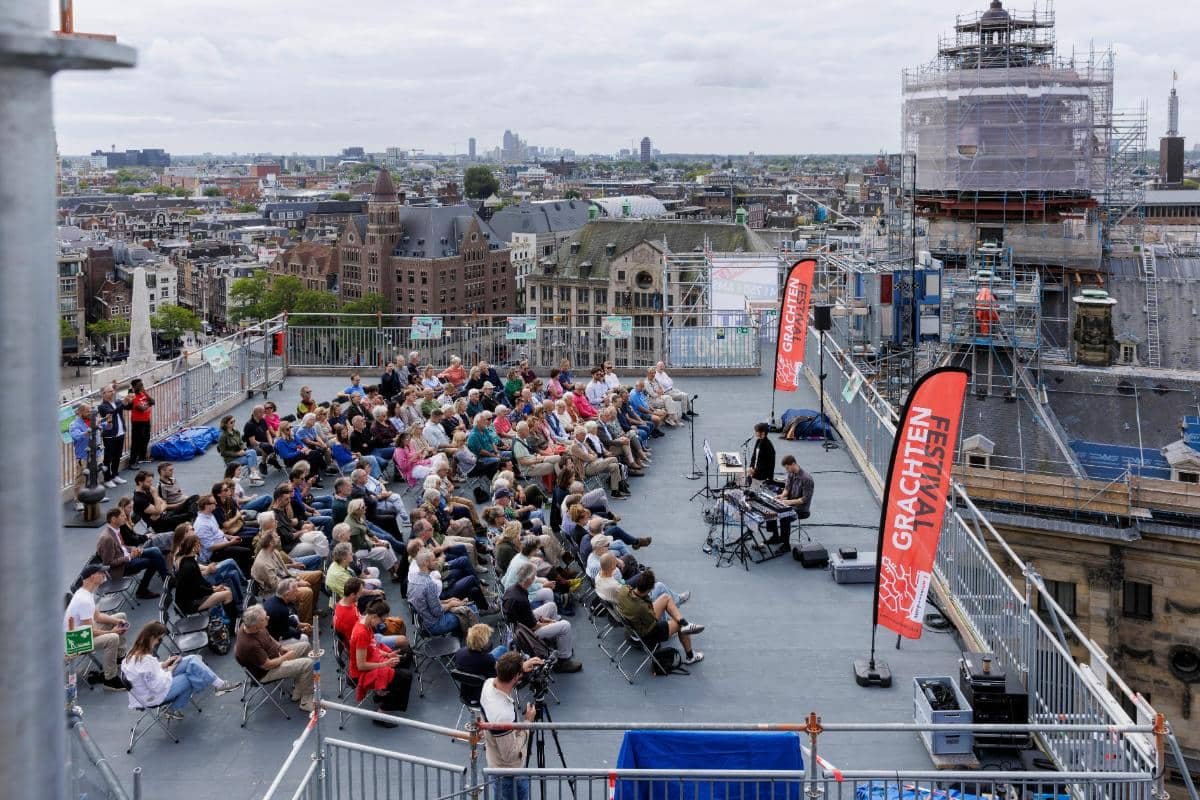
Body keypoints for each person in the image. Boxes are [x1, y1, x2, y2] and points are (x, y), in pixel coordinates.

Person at [121, 622, 241, 718]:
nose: (158, 642)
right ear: (152, 637)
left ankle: (219, 685)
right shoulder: (145, 660)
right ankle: (172, 709)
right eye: (159, 639)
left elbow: (147, 672)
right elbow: (157, 686)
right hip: (152, 696)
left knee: (191, 659)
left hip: (147, 690)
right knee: (190, 678)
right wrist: (170, 669)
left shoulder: (132, 653)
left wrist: (164, 664)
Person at [501, 562, 581, 672]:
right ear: (529, 579)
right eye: (533, 577)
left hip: (520, 625)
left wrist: (541, 620)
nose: (535, 578)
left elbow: (526, 616)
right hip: (525, 635)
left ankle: (558, 641)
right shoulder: (521, 599)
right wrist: (550, 623)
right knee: (565, 626)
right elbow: (534, 627)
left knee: (551, 606)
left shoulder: (513, 589)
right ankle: (563, 661)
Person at [234, 605, 315, 712]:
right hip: (266, 672)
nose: (268, 617)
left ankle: (299, 689)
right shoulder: (250, 645)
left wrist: (280, 647)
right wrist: (285, 657)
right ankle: (306, 702)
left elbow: (268, 636)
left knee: (306, 646)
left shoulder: (250, 626)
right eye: (264, 618)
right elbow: (267, 665)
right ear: (255, 626)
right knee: (308, 664)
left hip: (274, 656)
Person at [615, 570, 705, 665]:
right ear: (649, 589)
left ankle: (684, 622)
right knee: (679, 626)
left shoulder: (623, 590)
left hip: (633, 623)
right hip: (646, 631)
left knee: (665, 597)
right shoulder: (642, 607)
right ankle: (691, 656)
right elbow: (652, 621)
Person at [480, 652, 537, 800]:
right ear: (515, 677)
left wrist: (520, 668)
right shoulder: (502, 715)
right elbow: (510, 755)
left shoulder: (488, 684)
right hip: (509, 774)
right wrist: (527, 723)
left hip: (495, 763)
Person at [65, 564, 130, 691]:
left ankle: (119, 657)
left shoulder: (86, 593)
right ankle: (110, 679)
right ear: (92, 577)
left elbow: (98, 616)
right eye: (101, 573)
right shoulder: (83, 600)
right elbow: (90, 632)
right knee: (112, 638)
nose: (105, 575)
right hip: (74, 641)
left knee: (121, 616)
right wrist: (112, 631)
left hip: (81, 632)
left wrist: (117, 621)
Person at [348, 599, 413, 724]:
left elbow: (372, 647)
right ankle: (381, 713)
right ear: (374, 616)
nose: (382, 624)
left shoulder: (366, 624)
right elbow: (361, 666)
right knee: (406, 677)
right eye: (382, 620)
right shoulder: (361, 633)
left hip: (372, 660)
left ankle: (384, 691)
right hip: (361, 674)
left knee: (406, 653)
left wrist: (388, 654)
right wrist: (385, 664)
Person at [250, 527, 321, 625]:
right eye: (276, 537)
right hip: (274, 590)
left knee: (318, 575)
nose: (279, 537)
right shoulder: (263, 563)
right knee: (307, 592)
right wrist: (297, 583)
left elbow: (281, 569)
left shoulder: (273, 551)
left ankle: (311, 608)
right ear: (270, 543)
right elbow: (276, 586)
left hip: (285, 578)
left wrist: (294, 572)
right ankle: (305, 623)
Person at [96, 507, 169, 600]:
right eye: (122, 516)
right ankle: (144, 590)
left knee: (155, 550)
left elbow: (122, 547)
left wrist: (133, 549)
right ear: (114, 519)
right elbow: (109, 563)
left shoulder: (115, 530)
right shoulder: (107, 538)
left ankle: (166, 579)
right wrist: (130, 556)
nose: (125, 517)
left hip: (127, 556)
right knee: (154, 561)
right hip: (121, 567)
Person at [171, 531, 239, 624]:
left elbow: (200, 582)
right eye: (199, 544)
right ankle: (233, 624)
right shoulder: (188, 566)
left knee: (226, 589)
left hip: (194, 597)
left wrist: (214, 588)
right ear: (194, 547)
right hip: (190, 604)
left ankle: (231, 618)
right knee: (227, 594)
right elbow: (197, 590)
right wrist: (213, 590)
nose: (201, 546)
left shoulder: (188, 560)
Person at [407, 549, 476, 638]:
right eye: (433, 560)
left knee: (459, 606)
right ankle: (474, 641)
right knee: (471, 609)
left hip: (424, 622)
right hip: (434, 625)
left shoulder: (413, 579)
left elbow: (427, 603)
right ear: (427, 563)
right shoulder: (429, 584)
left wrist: (447, 601)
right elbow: (438, 612)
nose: (436, 562)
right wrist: (451, 604)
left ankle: (459, 637)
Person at [194, 494, 253, 573]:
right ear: (206, 506)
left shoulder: (210, 515)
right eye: (213, 503)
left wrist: (231, 537)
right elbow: (210, 547)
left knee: (248, 540)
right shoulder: (202, 525)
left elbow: (218, 532)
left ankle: (249, 565)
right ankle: (246, 574)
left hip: (223, 542)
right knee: (245, 551)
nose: (216, 504)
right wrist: (230, 543)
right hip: (215, 553)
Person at [767, 454, 815, 546]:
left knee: (784, 516)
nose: (786, 470)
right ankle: (775, 536)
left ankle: (786, 545)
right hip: (790, 502)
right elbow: (787, 488)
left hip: (801, 508)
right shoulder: (791, 473)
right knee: (771, 509)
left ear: (793, 464)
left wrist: (788, 502)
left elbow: (804, 499)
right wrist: (782, 496)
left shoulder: (807, 479)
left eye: (787, 468)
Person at [567, 425, 626, 497]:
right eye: (582, 435)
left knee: (614, 466)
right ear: (577, 435)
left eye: (585, 435)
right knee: (614, 459)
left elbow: (595, 454)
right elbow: (587, 458)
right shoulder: (574, 446)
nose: (584, 437)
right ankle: (622, 485)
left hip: (594, 464)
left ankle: (615, 491)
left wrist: (591, 456)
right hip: (586, 469)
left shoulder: (584, 443)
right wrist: (591, 456)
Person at [263, 578, 313, 645]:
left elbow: (284, 620)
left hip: (272, 629)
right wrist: (302, 631)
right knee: (304, 638)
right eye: (295, 591)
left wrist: (299, 624)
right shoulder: (282, 609)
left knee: (295, 617)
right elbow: (285, 633)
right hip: (272, 640)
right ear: (287, 595)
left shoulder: (272, 600)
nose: (298, 591)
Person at [97, 384, 129, 488]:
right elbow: (111, 413)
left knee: (117, 456)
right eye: (110, 391)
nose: (113, 392)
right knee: (108, 458)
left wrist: (129, 397)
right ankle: (107, 479)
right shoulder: (102, 406)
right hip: (110, 435)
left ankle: (115, 475)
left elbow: (128, 406)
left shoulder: (117, 402)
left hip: (120, 433)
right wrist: (122, 404)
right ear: (103, 394)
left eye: (113, 391)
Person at [69, 403, 99, 512]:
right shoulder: (74, 424)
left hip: (95, 453)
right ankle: (78, 501)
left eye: (90, 410)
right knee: (81, 479)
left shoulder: (94, 420)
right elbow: (76, 436)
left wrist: (108, 422)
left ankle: (96, 495)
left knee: (95, 476)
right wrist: (87, 431)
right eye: (87, 411)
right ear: (81, 412)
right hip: (83, 455)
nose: (90, 413)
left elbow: (105, 427)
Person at [218, 415, 265, 485]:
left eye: (234, 421)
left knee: (252, 452)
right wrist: (237, 453)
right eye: (231, 422)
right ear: (226, 424)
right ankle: (253, 479)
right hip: (231, 459)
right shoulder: (222, 436)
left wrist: (244, 449)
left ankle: (253, 474)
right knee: (250, 458)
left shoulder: (236, 431)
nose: (233, 423)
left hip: (240, 455)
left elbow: (241, 443)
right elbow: (223, 452)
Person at [126, 378, 155, 466]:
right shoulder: (133, 396)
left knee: (145, 439)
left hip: (146, 420)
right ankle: (132, 461)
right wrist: (149, 404)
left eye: (142, 384)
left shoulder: (143, 393)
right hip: (137, 422)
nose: (142, 386)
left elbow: (153, 402)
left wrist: (145, 393)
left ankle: (142, 457)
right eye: (140, 385)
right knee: (136, 442)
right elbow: (141, 409)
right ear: (135, 387)